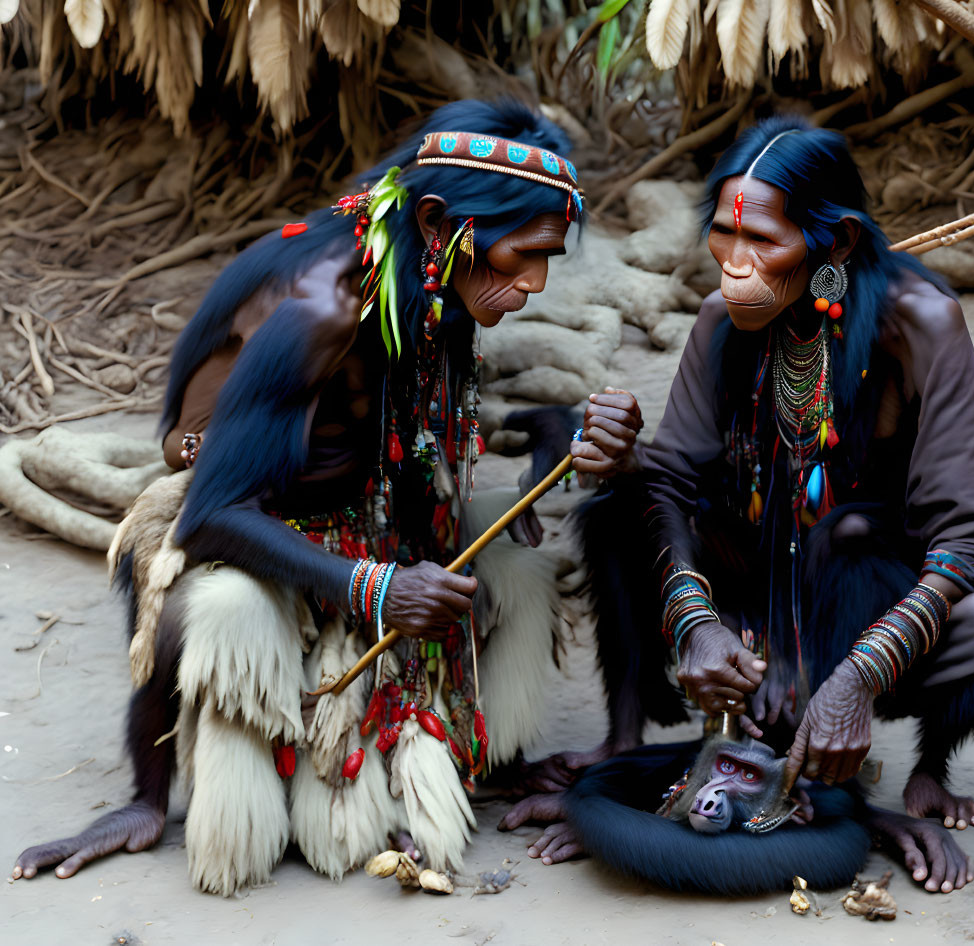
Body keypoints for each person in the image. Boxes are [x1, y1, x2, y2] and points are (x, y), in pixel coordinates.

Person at [11, 99, 641, 895]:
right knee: (205, 608)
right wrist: (372, 588)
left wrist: (571, 442)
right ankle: (147, 792)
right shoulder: (322, 307)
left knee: (520, 566)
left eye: (547, 259)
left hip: (365, 514)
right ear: (444, 222)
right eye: (524, 256)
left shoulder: (430, 276)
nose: (535, 284)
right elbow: (208, 512)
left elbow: (417, 437)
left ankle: (490, 758)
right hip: (251, 517)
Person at [511, 116, 974, 894]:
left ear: (837, 245)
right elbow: (673, 481)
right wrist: (696, 620)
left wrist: (855, 678)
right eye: (724, 238)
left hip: (868, 598)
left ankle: (912, 767)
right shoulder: (724, 320)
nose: (735, 269)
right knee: (614, 505)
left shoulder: (917, 324)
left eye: (764, 245)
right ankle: (624, 743)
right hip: (751, 586)